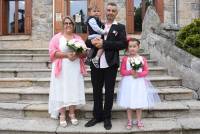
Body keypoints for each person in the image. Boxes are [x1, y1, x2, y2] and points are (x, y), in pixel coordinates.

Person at [84, 2, 128, 130]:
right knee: (96, 91)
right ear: (105, 11)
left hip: (110, 64)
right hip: (95, 64)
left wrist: (104, 44)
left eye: (113, 11)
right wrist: (91, 41)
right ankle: (97, 116)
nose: (110, 12)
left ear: (116, 13)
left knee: (109, 92)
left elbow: (122, 44)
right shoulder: (98, 24)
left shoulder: (120, 27)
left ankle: (107, 117)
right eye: (108, 10)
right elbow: (87, 40)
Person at [48, 16, 86, 127]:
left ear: (74, 25)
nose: (68, 25)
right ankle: (62, 115)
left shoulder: (78, 38)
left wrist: (77, 54)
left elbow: (84, 53)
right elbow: (52, 52)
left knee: (73, 89)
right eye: (66, 23)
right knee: (61, 89)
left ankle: (72, 114)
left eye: (70, 23)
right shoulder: (56, 38)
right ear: (63, 25)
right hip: (61, 68)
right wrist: (66, 55)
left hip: (74, 68)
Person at [117, 38, 160, 129]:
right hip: (128, 83)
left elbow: (146, 71)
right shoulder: (125, 59)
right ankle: (129, 121)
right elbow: (122, 71)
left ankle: (139, 120)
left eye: (134, 46)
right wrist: (131, 72)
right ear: (128, 48)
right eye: (130, 46)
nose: (132, 48)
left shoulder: (142, 59)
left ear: (138, 47)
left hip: (139, 83)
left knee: (139, 102)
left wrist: (139, 74)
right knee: (128, 102)